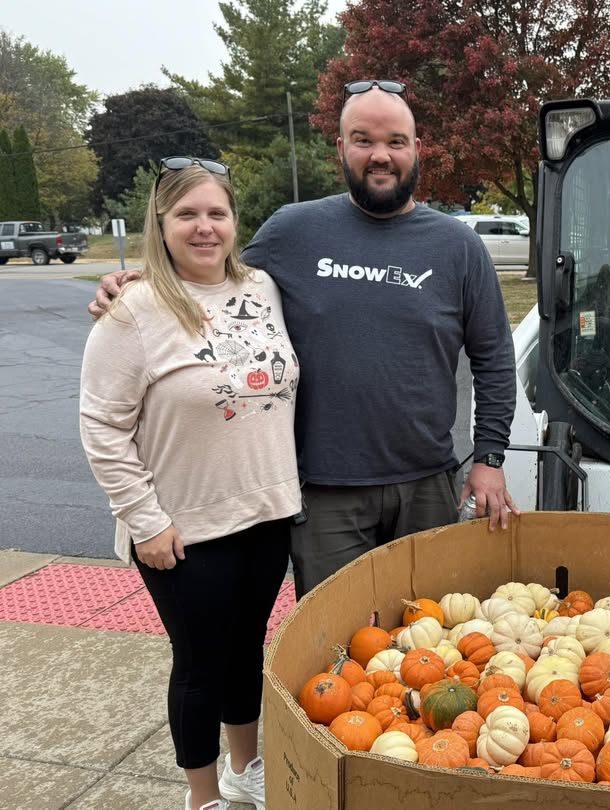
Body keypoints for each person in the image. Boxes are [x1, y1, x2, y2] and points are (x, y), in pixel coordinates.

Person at [91, 80, 519, 599]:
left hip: (428, 484)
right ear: (340, 148)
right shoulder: (292, 231)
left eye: (395, 141)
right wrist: (141, 282)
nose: (380, 155)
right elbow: (215, 276)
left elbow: (494, 357)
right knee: (332, 637)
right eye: (363, 140)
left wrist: (489, 458)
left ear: (416, 149)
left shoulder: (459, 246)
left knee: (429, 628)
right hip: (323, 494)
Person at [80, 157, 299, 810]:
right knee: (200, 664)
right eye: (187, 214)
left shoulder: (263, 287)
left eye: (216, 213)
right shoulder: (133, 311)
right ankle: (202, 797)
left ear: (234, 222)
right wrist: (143, 520)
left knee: (247, 651)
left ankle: (243, 768)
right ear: (161, 222)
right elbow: (101, 426)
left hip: (266, 512)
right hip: (183, 529)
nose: (204, 227)